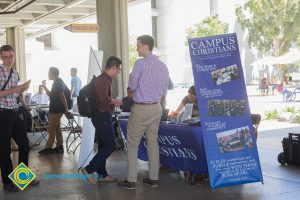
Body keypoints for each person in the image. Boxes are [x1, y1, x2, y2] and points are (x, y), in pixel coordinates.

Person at [118, 35, 169, 189]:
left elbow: (132, 86)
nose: (137, 48)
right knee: (153, 142)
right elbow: (165, 90)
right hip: (157, 107)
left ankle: (131, 181)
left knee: (133, 144)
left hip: (141, 108)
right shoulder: (163, 66)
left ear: (146, 46)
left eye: (138, 46)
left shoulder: (140, 64)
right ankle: (154, 178)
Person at [0, 44, 39, 192]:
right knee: (4, 149)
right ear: (1, 57)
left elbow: (15, 94)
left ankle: (22, 178)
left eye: (11, 56)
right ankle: (8, 182)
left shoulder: (15, 73)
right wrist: (16, 88)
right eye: (5, 57)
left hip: (14, 112)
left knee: (25, 144)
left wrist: (22, 90)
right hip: (2, 114)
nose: (9, 59)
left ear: (14, 56)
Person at [80, 56, 123, 184]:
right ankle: (88, 169)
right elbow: (103, 99)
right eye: (118, 69)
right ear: (113, 67)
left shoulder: (105, 79)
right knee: (110, 145)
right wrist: (115, 101)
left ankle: (102, 175)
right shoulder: (103, 80)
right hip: (101, 116)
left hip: (103, 116)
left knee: (104, 145)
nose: (118, 72)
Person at [38, 67, 71, 155]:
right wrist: (44, 86)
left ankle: (48, 147)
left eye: (49, 73)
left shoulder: (58, 83)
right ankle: (59, 146)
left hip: (56, 110)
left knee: (51, 128)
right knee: (56, 128)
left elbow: (62, 96)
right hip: (56, 109)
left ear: (53, 74)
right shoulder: (57, 83)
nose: (48, 75)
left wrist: (66, 109)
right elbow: (51, 95)